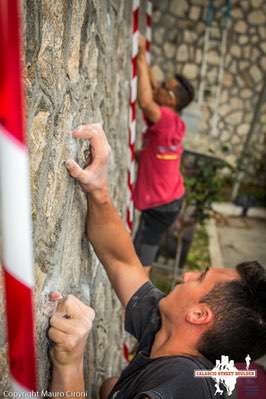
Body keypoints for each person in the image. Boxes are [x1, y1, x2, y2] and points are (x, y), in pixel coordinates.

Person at [49, 124, 266, 399]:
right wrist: (97, 187)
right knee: (109, 387)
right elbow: (122, 261)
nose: (187, 275)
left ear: (198, 315)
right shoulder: (166, 327)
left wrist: (68, 365)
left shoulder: (187, 386)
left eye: (200, 278)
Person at [133, 37, 195, 276]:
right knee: (143, 249)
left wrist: (140, 58)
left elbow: (146, 101)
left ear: (170, 99)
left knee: (142, 257)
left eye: (162, 87)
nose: (156, 85)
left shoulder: (166, 119)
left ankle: (140, 299)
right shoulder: (175, 121)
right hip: (169, 200)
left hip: (161, 205)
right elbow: (153, 86)